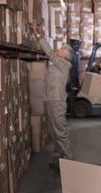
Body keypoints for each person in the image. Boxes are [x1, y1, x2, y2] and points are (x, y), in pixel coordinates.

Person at [31, 20, 74, 171]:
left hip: (57, 102)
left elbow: (49, 52)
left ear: (65, 55)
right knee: (52, 132)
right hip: (50, 101)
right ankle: (57, 158)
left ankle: (68, 162)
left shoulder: (64, 64)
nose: (58, 49)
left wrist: (38, 35)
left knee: (60, 132)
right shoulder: (57, 64)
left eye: (61, 49)